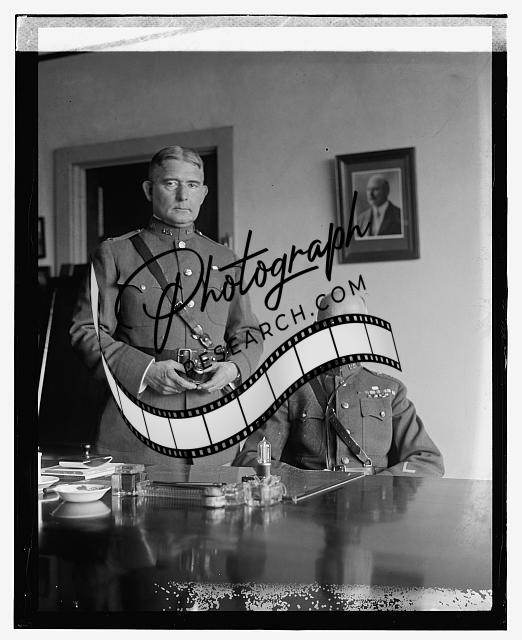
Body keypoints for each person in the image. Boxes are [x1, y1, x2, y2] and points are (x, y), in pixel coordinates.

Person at [70, 146, 262, 466]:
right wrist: (146, 371)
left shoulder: (226, 259)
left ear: (203, 193)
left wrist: (234, 367)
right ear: (149, 190)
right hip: (141, 429)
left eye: (193, 185)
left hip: (213, 429)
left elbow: (248, 334)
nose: (183, 196)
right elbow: (86, 330)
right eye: (171, 183)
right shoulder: (116, 254)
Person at [233, 293, 444, 476]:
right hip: (309, 505)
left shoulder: (390, 391)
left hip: (373, 506)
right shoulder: (289, 391)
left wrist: (381, 484)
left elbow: (428, 461)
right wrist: (303, 480)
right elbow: (250, 459)